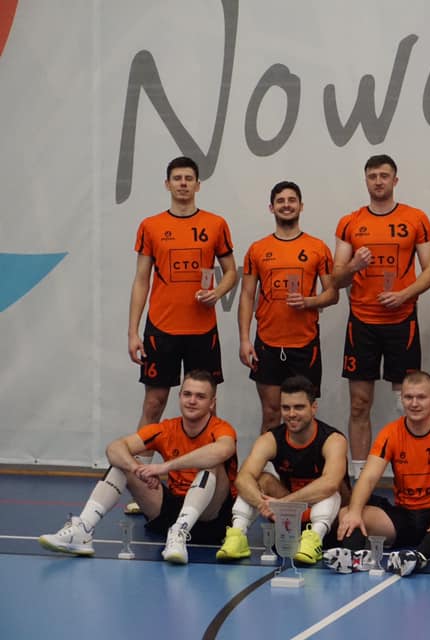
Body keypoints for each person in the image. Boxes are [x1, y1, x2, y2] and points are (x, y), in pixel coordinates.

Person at [38, 370, 237, 564]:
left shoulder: (222, 429)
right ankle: (83, 530)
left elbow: (221, 451)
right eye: (187, 394)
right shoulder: (167, 429)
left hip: (212, 518)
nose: (192, 401)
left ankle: (180, 530)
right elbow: (114, 448)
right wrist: (137, 469)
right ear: (179, 397)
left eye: (200, 396)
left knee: (212, 465)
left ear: (212, 403)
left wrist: (163, 468)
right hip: (171, 511)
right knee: (121, 464)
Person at [332, 155, 430, 464]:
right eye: (372, 176)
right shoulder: (350, 222)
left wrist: (404, 295)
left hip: (402, 322)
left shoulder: (416, 218)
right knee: (359, 404)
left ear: (395, 180)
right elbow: (336, 279)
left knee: (407, 404)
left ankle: (408, 471)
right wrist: (354, 265)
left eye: (384, 175)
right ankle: (359, 475)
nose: (378, 181)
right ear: (366, 180)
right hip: (362, 322)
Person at [127, 155, 238, 428]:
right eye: (177, 178)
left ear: (198, 185)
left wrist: (217, 292)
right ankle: (141, 458)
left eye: (189, 179)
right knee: (154, 402)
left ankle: (207, 458)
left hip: (202, 330)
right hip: (161, 328)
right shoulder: (150, 226)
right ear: (167, 184)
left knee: (206, 406)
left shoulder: (216, 224)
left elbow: (231, 272)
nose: (183, 183)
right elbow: (141, 280)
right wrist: (133, 332)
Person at [333, 371, 430, 576]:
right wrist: (354, 512)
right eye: (408, 397)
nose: (414, 403)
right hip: (404, 517)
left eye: (421, 397)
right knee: (348, 512)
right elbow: (368, 478)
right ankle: (354, 557)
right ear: (402, 399)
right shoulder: (391, 432)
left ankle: (418, 558)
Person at [238, 181, 339, 434]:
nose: (286, 205)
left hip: (305, 345)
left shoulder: (318, 247)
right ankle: (268, 461)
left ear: (301, 206)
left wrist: (309, 302)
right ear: (271, 207)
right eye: (280, 201)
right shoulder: (257, 249)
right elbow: (247, 295)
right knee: (271, 413)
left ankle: (304, 461)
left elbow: (332, 294)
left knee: (304, 416)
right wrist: (244, 339)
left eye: (292, 200)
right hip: (268, 344)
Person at [216, 375, 348, 565]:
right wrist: (264, 505)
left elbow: (330, 483)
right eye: (286, 408)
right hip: (288, 517)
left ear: (313, 408)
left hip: (330, 519)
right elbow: (243, 478)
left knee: (331, 490)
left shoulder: (333, 439)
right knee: (259, 480)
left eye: (299, 407)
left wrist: (282, 503)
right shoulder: (270, 439)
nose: (291, 414)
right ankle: (238, 535)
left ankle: (314, 540)